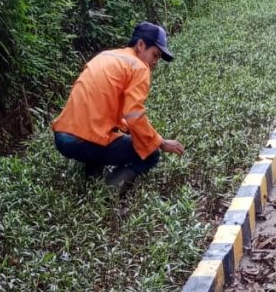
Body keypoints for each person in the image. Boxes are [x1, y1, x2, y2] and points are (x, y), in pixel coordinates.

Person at [52, 22, 185, 187]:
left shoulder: (106, 56)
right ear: (141, 45)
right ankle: (109, 188)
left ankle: (91, 178)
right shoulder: (139, 67)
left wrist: (127, 129)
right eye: (155, 55)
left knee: (112, 132)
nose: (155, 62)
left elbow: (111, 108)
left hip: (62, 137)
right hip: (83, 141)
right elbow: (134, 115)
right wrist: (161, 142)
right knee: (152, 154)